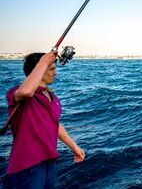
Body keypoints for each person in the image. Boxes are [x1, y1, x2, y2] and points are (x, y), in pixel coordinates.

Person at [5, 51, 85, 188]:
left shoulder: (52, 96)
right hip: (27, 164)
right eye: (52, 68)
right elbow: (26, 91)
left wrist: (74, 146)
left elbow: (55, 124)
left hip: (49, 160)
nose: (55, 73)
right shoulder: (17, 92)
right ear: (39, 69)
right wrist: (43, 61)